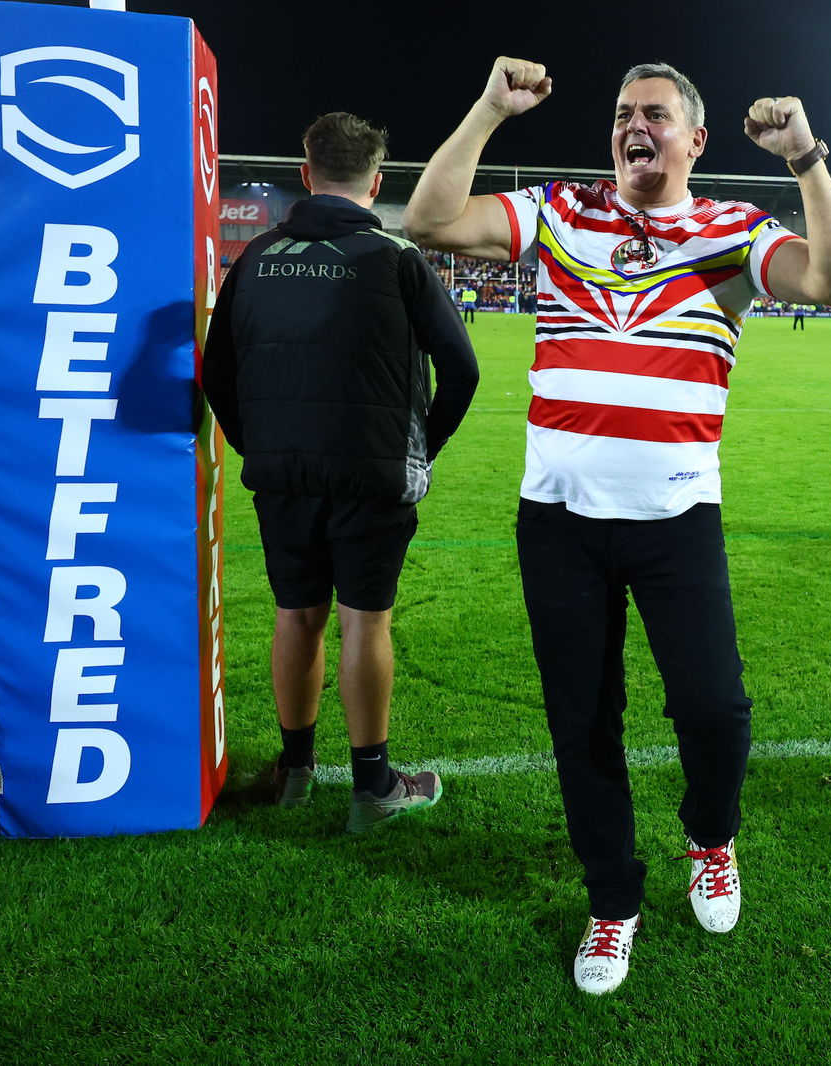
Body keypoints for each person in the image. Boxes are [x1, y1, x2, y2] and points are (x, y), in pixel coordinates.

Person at [404, 57, 831, 995]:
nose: (632, 125)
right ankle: (612, 900)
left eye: (654, 113)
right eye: (622, 113)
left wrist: (805, 158)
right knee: (583, 721)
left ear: (695, 139)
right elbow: (428, 221)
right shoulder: (561, 212)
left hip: (676, 519)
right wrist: (489, 110)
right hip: (559, 523)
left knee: (715, 711)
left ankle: (711, 837)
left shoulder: (733, 231)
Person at [201, 112, 479, 832]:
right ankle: (372, 786)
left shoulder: (257, 256)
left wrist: (258, 444)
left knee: (296, 615)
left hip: (283, 473)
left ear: (306, 174)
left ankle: (294, 772)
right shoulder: (396, 257)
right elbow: (462, 368)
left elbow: (216, 372)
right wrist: (422, 446)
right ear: (377, 182)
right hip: (372, 474)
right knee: (365, 619)